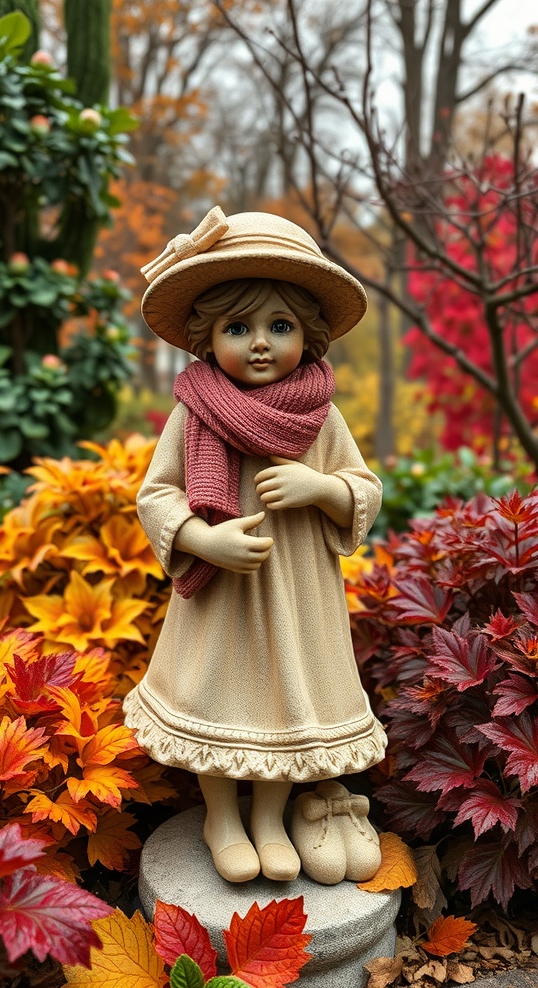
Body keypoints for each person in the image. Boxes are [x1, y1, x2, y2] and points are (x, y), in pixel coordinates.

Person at [123, 207, 387, 885]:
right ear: (208, 338)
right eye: (238, 328)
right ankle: (222, 816)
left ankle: (270, 817)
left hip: (297, 590)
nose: (260, 343)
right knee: (220, 697)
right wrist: (201, 537)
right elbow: (156, 494)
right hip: (224, 594)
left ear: (309, 335)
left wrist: (320, 488)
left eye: (280, 326)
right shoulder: (195, 412)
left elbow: (363, 486)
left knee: (284, 699)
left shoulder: (320, 415)